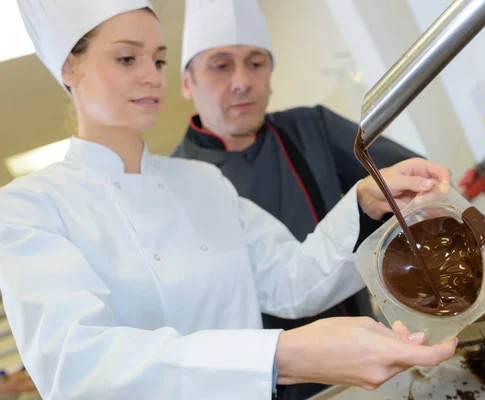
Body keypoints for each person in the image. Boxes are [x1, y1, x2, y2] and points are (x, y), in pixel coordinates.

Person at [0, 1, 456, 399]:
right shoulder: (31, 207)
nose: (150, 76)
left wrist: (362, 200)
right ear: (68, 68)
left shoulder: (203, 182)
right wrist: (281, 355)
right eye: (126, 58)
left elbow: (292, 280)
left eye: (158, 60)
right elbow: (76, 367)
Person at [173, 0, 421, 368]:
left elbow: (406, 182)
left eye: (256, 63)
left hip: (367, 349)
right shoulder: (178, 185)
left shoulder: (311, 127)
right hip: (268, 381)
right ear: (186, 82)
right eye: (221, 66)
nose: (242, 82)